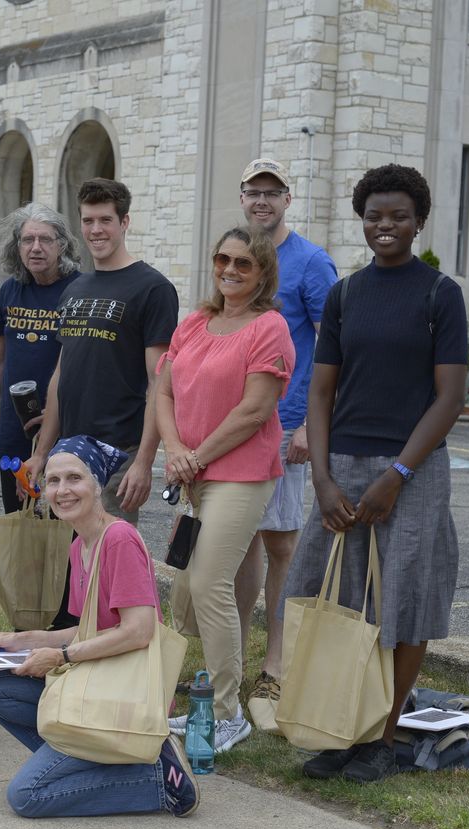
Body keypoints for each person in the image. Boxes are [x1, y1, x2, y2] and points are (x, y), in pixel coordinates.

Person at [283, 163, 467, 783]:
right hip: (342, 464)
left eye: (398, 216)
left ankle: (383, 738)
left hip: (413, 469)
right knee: (338, 596)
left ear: (419, 222)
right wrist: (322, 479)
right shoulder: (345, 295)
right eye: (374, 216)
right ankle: (343, 728)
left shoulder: (440, 294)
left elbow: (450, 398)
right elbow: (321, 393)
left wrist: (398, 473)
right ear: (362, 220)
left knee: (405, 599)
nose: (385, 226)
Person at [0, 436, 199, 818]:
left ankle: (158, 778)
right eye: (53, 481)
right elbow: (85, 629)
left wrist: (60, 656)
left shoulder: (119, 539)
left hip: (128, 693)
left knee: (27, 796)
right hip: (98, 677)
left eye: (74, 478)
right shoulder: (80, 545)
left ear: (97, 485)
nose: (62, 490)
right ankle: (99, 762)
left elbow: (139, 630)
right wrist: (20, 639)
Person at [157, 225, 295, 753]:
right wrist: (174, 449)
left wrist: (195, 457)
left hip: (241, 473)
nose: (230, 270)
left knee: (210, 583)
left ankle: (226, 714)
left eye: (243, 263)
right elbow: (163, 393)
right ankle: (211, 700)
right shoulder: (196, 322)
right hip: (193, 474)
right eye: (223, 259)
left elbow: (255, 410)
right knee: (191, 585)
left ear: (262, 273)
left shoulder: (269, 327)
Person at [231, 159, 338, 730]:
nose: (262, 201)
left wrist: (310, 427)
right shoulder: (235, 256)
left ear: (288, 199)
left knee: (280, 544)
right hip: (235, 429)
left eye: (272, 192)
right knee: (239, 544)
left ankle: (276, 665)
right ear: (242, 197)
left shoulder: (311, 262)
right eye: (254, 191)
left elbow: (334, 346)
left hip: (285, 428)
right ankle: (234, 661)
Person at [27, 178, 178, 523]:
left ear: (124, 222)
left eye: (105, 220)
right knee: (67, 554)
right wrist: (43, 451)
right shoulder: (75, 289)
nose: (96, 230)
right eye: (88, 220)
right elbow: (61, 374)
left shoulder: (153, 288)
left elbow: (160, 383)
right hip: (68, 452)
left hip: (116, 454)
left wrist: (143, 462)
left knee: (109, 551)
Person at [0, 203, 81, 513]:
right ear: (17, 246)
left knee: (63, 521)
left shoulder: (79, 291)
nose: (36, 247)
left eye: (45, 239)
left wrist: (58, 412)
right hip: (13, 429)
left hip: (64, 428)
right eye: (27, 240)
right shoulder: (9, 291)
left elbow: (84, 367)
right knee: (17, 516)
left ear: (62, 245)